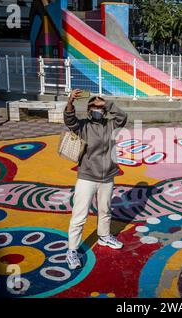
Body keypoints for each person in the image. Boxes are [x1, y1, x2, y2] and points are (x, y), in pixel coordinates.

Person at [64, 89, 128, 270]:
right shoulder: (83, 125)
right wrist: (70, 103)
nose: (96, 109)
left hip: (107, 176)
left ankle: (104, 236)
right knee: (79, 215)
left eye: (99, 107)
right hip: (87, 176)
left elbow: (123, 116)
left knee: (105, 209)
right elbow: (69, 120)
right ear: (88, 109)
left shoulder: (111, 125)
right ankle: (72, 250)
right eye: (93, 106)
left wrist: (105, 103)